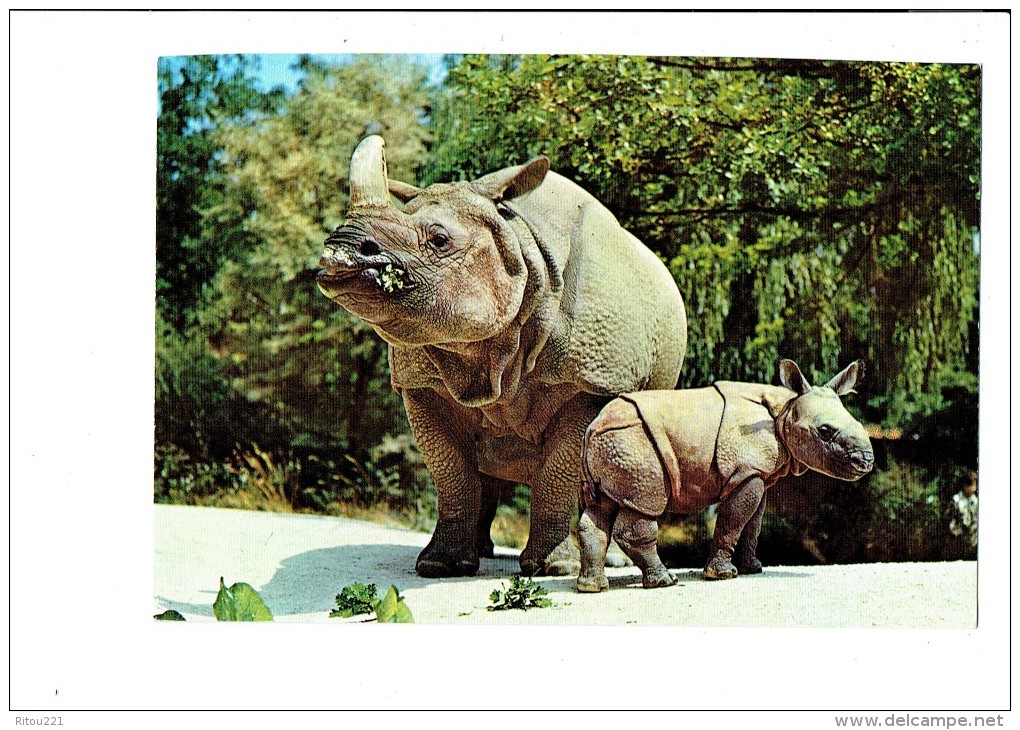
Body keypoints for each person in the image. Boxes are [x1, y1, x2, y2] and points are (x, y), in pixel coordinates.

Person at [948, 470, 978, 556]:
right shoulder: (956, 500)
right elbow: (951, 516)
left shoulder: (975, 501)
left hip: (973, 536)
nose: (974, 488)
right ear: (965, 486)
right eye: (972, 485)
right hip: (959, 535)